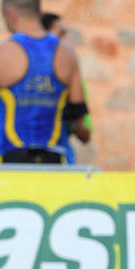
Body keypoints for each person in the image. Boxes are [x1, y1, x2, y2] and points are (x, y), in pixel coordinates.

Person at [0, 0, 87, 163]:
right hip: (55, 161)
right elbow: (78, 116)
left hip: (11, 161)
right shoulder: (68, 54)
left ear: (10, 14)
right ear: (38, 11)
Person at [40, 11, 93, 163]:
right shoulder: (18, 75)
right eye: (61, 34)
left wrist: (73, 121)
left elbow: (85, 134)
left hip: (60, 160)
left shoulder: (75, 79)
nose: (68, 40)